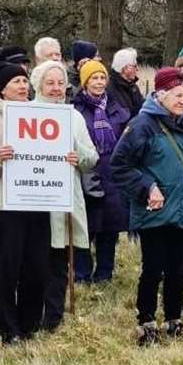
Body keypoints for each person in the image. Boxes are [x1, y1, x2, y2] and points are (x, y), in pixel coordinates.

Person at [0, 62, 74, 342]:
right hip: (5, 207)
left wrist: (68, 161)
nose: (23, 86)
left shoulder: (44, 116)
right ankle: (7, 329)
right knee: (7, 269)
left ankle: (29, 326)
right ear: (2, 87)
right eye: (16, 81)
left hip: (38, 203)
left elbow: (52, 156)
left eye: (25, 81)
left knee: (37, 268)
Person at [112, 67, 183, 345]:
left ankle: (174, 319)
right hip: (153, 209)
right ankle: (146, 322)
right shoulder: (142, 125)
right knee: (153, 267)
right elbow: (119, 165)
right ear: (161, 94)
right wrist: (146, 187)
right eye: (178, 95)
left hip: (180, 208)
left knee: (178, 267)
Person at [28, 60, 98, 331]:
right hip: (33, 200)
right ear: (39, 85)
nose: (56, 88)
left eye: (60, 83)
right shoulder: (25, 114)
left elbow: (92, 157)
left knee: (59, 260)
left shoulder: (74, 117)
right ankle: (31, 315)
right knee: (35, 261)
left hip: (63, 200)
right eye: (50, 83)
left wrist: (76, 153)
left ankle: (53, 319)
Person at [73, 58, 132, 284]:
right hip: (87, 172)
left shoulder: (117, 110)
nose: (98, 82)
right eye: (93, 78)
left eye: (102, 78)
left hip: (112, 174)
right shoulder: (76, 110)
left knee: (110, 228)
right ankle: (82, 272)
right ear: (85, 82)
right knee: (85, 226)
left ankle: (105, 273)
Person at [107, 47, 144, 115]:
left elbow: (142, 107)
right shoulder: (109, 88)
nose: (137, 69)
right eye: (134, 66)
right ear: (124, 68)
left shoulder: (133, 86)